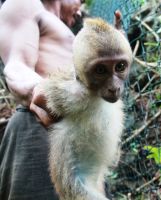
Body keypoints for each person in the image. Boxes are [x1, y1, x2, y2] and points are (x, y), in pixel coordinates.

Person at [0, 0, 83, 199]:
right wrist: (47, 95)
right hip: (42, 129)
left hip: (74, 139)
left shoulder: (57, 23)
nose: (81, 6)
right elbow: (16, 67)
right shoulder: (25, 3)